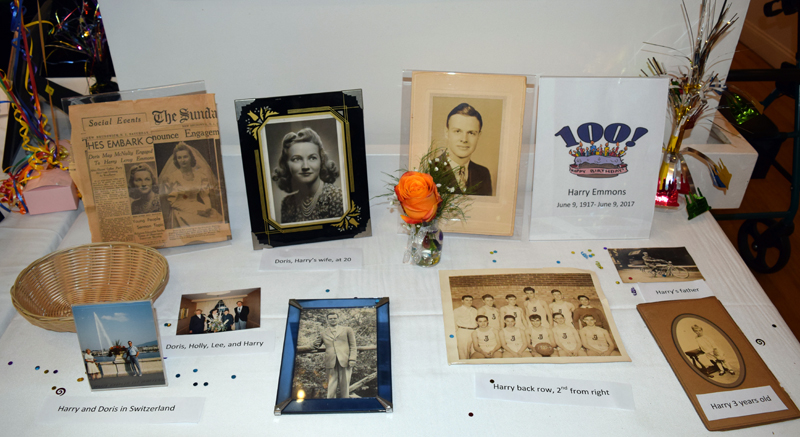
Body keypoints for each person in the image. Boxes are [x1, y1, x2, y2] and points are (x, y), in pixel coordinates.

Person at [272, 127, 344, 223]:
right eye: (296, 159)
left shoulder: (337, 197)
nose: (305, 166)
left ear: (321, 161)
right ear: (286, 165)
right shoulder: (287, 203)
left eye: (312, 158)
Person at [158, 142, 223, 228]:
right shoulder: (172, 177)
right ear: (176, 160)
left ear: (191, 158)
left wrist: (207, 208)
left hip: (199, 207)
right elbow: (174, 202)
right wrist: (197, 212)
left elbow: (204, 195)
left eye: (185, 157)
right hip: (181, 210)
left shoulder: (200, 175)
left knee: (217, 219)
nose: (183, 160)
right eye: (179, 157)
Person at [437, 103, 493, 196]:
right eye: (457, 131)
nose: (464, 139)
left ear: (478, 135)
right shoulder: (430, 170)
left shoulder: (483, 174)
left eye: (471, 133)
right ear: (447, 133)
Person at [313, 313, 357, 398]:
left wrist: (352, 359)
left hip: (345, 360)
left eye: (334, 318)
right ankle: (331, 404)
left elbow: (353, 345)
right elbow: (315, 345)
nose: (333, 320)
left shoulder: (347, 329)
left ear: (338, 319)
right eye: (330, 319)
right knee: (331, 385)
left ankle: (345, 404)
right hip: (330, 361)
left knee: (345, 384)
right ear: (327, 320)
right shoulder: (323, 333)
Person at [453, 295, 478, 359]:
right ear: (462, 301)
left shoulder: (475, 310)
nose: (469, 302)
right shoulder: (457, 310)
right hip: (463, 331)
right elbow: (453, 322)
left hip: (474, 331)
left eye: (470, 300)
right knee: (463, 351)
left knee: (474, 350)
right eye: (467, 300)